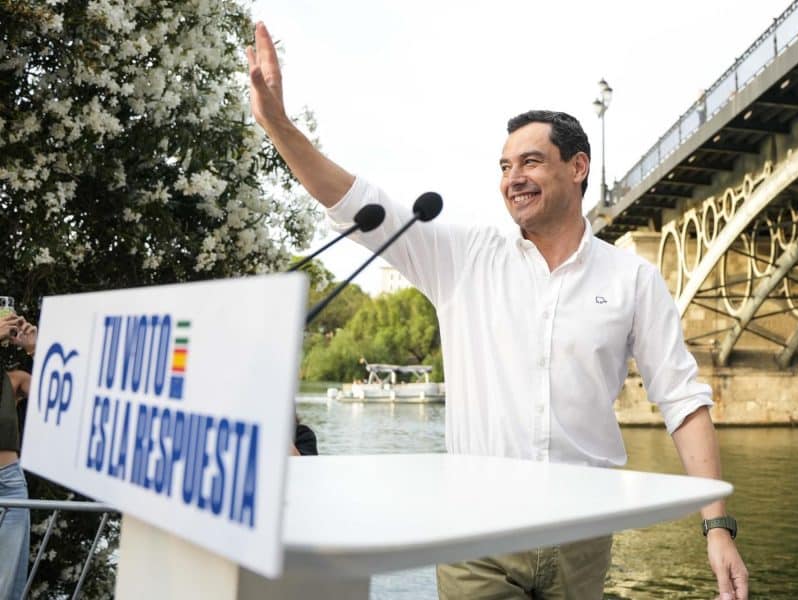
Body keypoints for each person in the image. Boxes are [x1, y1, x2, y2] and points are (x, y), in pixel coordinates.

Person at [246, 22, 748, 600]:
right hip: (474, 536)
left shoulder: (632, 277)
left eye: (530, 162)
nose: (513, 179)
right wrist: (280, 128)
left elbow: (683, 402)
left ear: (578, 167)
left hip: (581, 537)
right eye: (505, 167)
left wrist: (716, 527)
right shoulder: (461, 256)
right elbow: (358, 202)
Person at [0, 314, 37, 600]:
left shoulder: (13, 380)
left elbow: (60, 395)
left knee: (6, 583)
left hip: (10, 483)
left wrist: (35, 349)